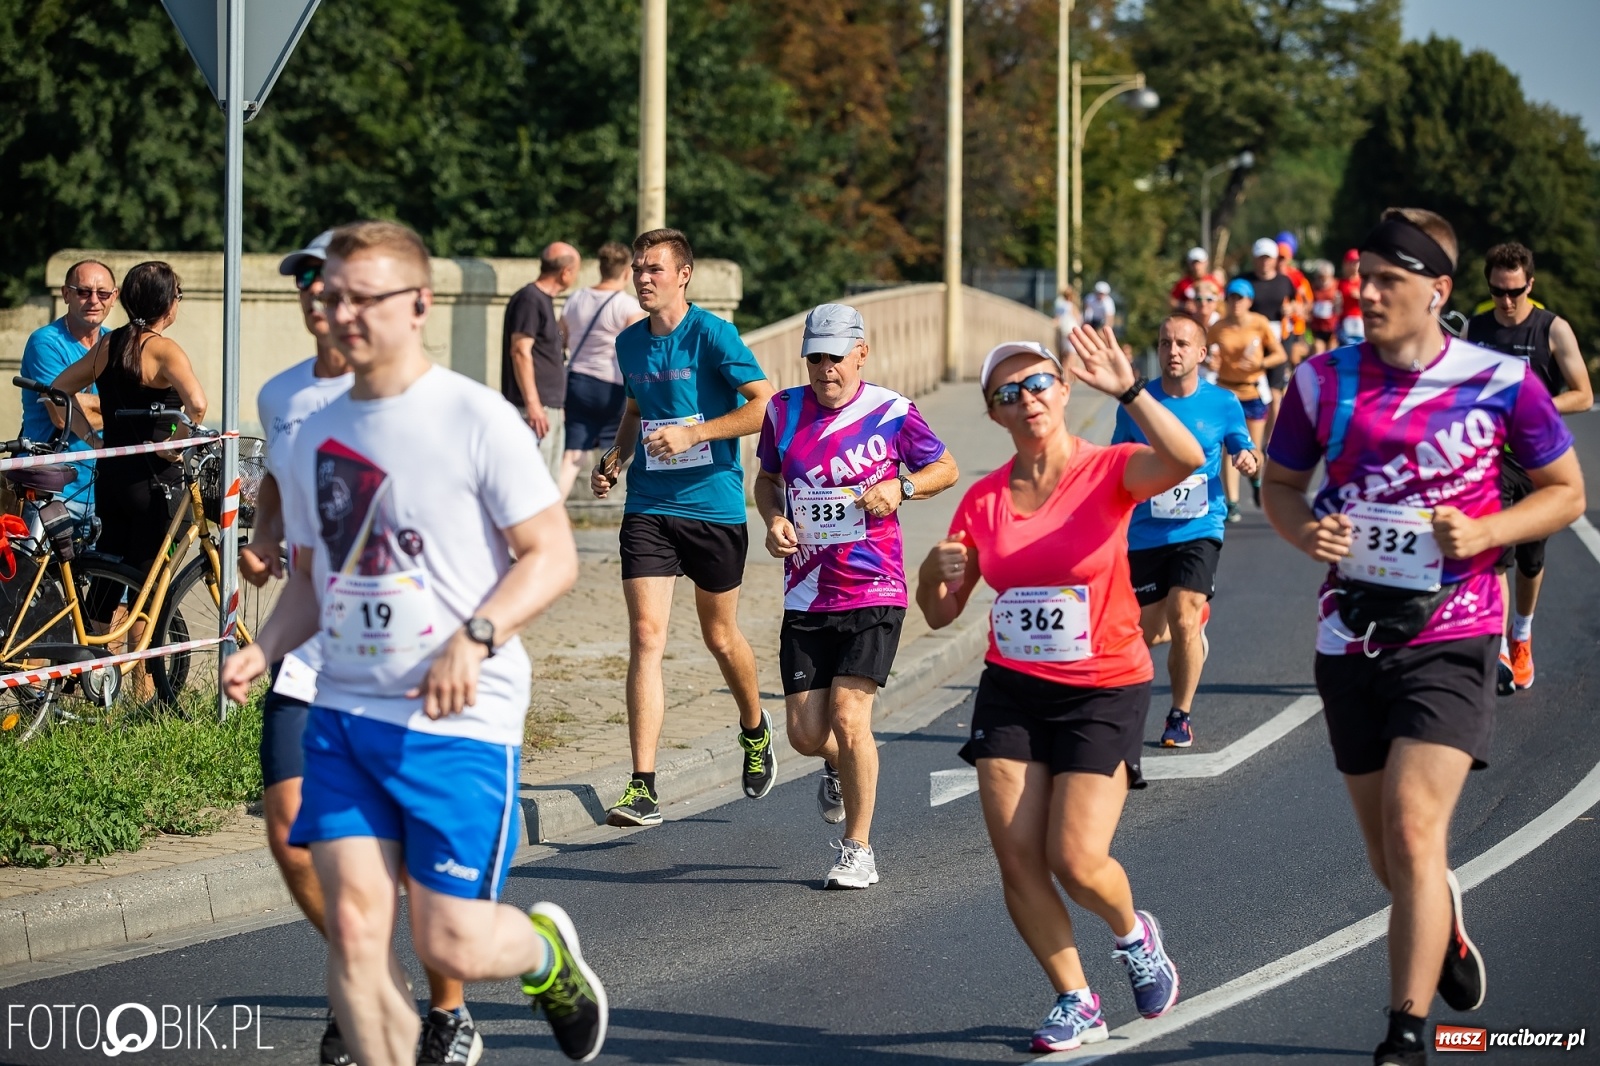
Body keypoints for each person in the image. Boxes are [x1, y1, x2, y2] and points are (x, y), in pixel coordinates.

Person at [220, 220, 608, 1066]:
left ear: (419, 305)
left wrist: (478, 635)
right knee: (357, 932)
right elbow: (316, 579)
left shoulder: (475, 418)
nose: (343, 314)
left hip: (457, 720)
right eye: (333, 298)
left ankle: (544, 955)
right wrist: (266, 645)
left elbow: (552, 556)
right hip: (345, 711)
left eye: (364, 298)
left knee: (449, 942)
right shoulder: (314, 434)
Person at [1261, 208, 1583, 1066]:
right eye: (1362, 278)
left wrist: (1486, 533)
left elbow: (1566, 492)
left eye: (1386, 281)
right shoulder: (1321, 382)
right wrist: (1307, 532)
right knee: (1390, 858)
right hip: (1351, 633)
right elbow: (1281, 486)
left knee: (1412, 832)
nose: (1366, 293)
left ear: (1437, 291)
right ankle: (1444, 923)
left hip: (1456, 626)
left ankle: (1405, 1033)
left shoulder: (1500, 382)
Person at [916, 327, 1202, 1052]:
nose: (1028, 398)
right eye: (1009, 392)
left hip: (1103, 686)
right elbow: (941, 612)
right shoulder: (982, 501)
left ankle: (1134, 936)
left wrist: (1131, 390)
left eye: (1039, 382)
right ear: (994, 413)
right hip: (1014, 687)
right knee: (1018, 857)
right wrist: (930, 573)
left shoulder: (1108, 470)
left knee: (1075, 859)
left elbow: (1185, 459)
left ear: (1065, 390)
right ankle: (1076, 999)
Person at [753, 303, 958, 888]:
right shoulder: (782, 411)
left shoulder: (892, 412)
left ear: (861, 353)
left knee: (849, 716)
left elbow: (946, 467)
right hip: (806, 591)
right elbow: (767, 481)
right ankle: (837, 765)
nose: (825, 370)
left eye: (836, 358)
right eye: (814, 358)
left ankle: (858, 849)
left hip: (874, 587)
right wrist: (773, 520)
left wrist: (903, 486)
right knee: (805, 734)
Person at [590, 228, 777, 828]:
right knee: (646, 635)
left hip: (713, 507)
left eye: (655, 269)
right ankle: (642, 786)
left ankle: (754, 728)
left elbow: (765, 405)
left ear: (684, 275)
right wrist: (616, 459)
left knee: (720, 637)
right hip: (648, 505)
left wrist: (696, 433)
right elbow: (635, 409)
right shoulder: (629, 343)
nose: (643, 278)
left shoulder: (713, 335)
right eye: (638, 268)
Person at [51, 262, 207, 699]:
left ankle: (89, 681)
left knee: (108, 576)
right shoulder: (164, 350)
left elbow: (58, 392)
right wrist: (172, 443)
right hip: (156, 484)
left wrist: (92, 439)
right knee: (150, 586)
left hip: (112, 478)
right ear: (167, 302)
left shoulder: (110, 344)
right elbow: (197, 405)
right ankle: (146, 691)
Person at [1114, 314, 1257, 748]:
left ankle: (1179, 716)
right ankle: (1189, 628)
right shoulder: (1137, 404)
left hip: (1200, 526)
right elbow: (1117, 463)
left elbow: (1245, 446)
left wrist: (1248, 459)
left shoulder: (1223, 402)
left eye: (1181, 344)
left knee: (1183, 611)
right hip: (1145, 533)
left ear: (1201, 353)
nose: (1172, 351)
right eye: (1164, 343)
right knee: (1145, 633)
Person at [1464, 241, 1593, 693]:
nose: (1506, 301)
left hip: (1539, 459)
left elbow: (1583, 394)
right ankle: (1500, 649)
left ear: (1530, 285)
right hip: (1493, 458)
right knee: (1495, 552)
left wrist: (1534, 408)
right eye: (1498, 291)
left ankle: (1521, 634)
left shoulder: (1553, 329)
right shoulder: (1476, 329)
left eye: (1515, 291)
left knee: (1530, 559)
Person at [19, 260, 116, 536]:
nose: (94, 300)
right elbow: (62, 415)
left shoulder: (115, 343)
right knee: (33, 567)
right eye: (83, 292)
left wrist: (80, 401)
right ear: (66, 294)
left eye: (103, 293)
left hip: (100, 490)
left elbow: (75, 405)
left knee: (104, 565)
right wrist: (114, 409)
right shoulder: (45, 342)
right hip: (51, 492)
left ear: (114, 297)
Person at [554, 241, 646, 501]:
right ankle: (613, 497)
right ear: (627, 272)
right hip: (612, 385)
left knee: (573, 454)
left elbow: (560, 340)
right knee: (618, 447)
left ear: (600, 268)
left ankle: (554, 507)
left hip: (578, 383)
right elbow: (636, 350)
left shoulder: (575, 299)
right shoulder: (628, 306)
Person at [1206, 278, 1285, 519]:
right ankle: (1233, 502)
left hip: (1252, 391)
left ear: (1249, 301)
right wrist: (1210, 362)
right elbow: (1204, 353)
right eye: (1231, 298)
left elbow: (1280, 355)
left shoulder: (1259, 323)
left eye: (1240, 298)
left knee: (1252, 448)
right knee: (1228, 449)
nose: (1236, 303)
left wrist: (1260, 363)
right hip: (1226, 393)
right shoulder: (1218, 327)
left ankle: (1256, 478)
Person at [502, 242, 581, 476]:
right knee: (535, 479)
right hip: (535, 410)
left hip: (549, 407)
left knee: (549, 480)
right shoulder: (530, 299)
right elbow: (520, 351)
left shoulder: (542, 300)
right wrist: (533, 405)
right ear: (565, 272)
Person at [1237, 238, 1298, 430]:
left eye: (1268, 258)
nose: (1264, 262)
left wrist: (1292, 308)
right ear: (1254, 259)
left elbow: (1299, 303)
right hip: (1250, 339)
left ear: (1274, 259)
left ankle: (1272, 438)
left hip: (1278, 339)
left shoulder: (1284, 281)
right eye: (1261, 257)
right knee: (1249, 388)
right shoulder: (1244, 280)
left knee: (1275, 391)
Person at [1169, 247, 1223, 312]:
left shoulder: (1214, 282)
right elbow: (1172, 301)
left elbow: (1221, 301)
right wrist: (1183, 305)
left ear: (1206, 263)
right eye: (1194, 263)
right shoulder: (1183, 283)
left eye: (1199, 263)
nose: (1197, 267)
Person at [1309, 260, 1341, 354]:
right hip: (1318, 328)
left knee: (1332, 352)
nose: (1322, 280)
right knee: (1318, 350)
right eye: (1319, 277)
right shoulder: (1313, 288)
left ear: (1330, 276)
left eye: (1324, 277)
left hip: (1333, 329)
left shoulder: (1337, 286)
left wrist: (1338, 303)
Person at [1336, 248, 1365, 347]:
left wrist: (1360, 296)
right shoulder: (1341, 283)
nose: (1355, 265)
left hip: (1360, 321)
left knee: (1361, 347)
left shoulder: (1363, 282)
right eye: (1352, 262)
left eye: (1357, 262)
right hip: (1345, 322)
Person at [1054, 285, 1081, 356]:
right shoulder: (1071, 306)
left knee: (1064, 354)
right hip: (1071, 331)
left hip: (1063, 330)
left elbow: (1057, 318)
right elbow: (1078, 318)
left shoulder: (1060, 305)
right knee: (1071, 354)